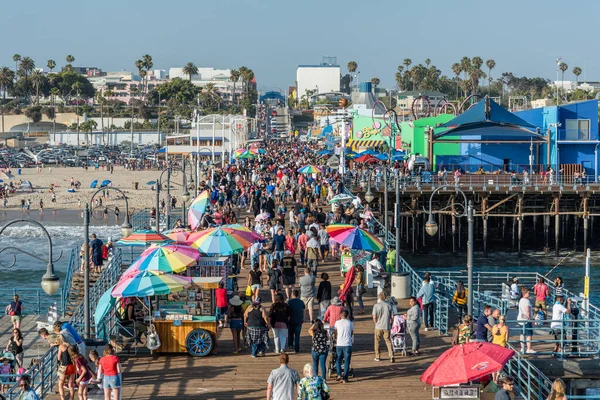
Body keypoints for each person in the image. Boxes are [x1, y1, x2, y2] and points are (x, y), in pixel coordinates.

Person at [372, 292, 394, 363]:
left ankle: (377, 356)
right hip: (386, 325)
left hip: (378, 326)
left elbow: (374, 317)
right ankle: (391, 355)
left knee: (377, 341)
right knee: (388, 340)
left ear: (379, 297)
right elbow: (392, 317)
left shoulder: (376, 306)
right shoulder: (389, 305)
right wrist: (391, 323)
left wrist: (376, 323)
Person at [334, 309, 354, 383]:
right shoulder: (350, 323)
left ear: (340, 315)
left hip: (339, 344)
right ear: (347, 315)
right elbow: (351, 333)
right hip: (348, 344)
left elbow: (335, 332)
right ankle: (345, 378)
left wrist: (336, 338)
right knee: (347, 361)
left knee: (338, 359)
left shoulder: (337, 322)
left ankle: (339, 374)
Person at [57, 335, 76, 400]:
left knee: (60, 384)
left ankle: (63, 399)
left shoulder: (61, 346)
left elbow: (59, 358)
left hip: (66, 366)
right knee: (70, 384)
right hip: (73, 366)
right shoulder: (70, 346)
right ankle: (72, 398)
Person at [518, 287, 536, 354]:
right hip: (526, 320)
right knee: (529, 334)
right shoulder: (526, 301)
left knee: (522, 334)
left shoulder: (521, 300)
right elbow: (527, 310)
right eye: (528, 292)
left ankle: (522, 348)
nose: (529, 293)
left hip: (521, 319)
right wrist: (530, 318)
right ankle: (529, 348)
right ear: (525, 293)